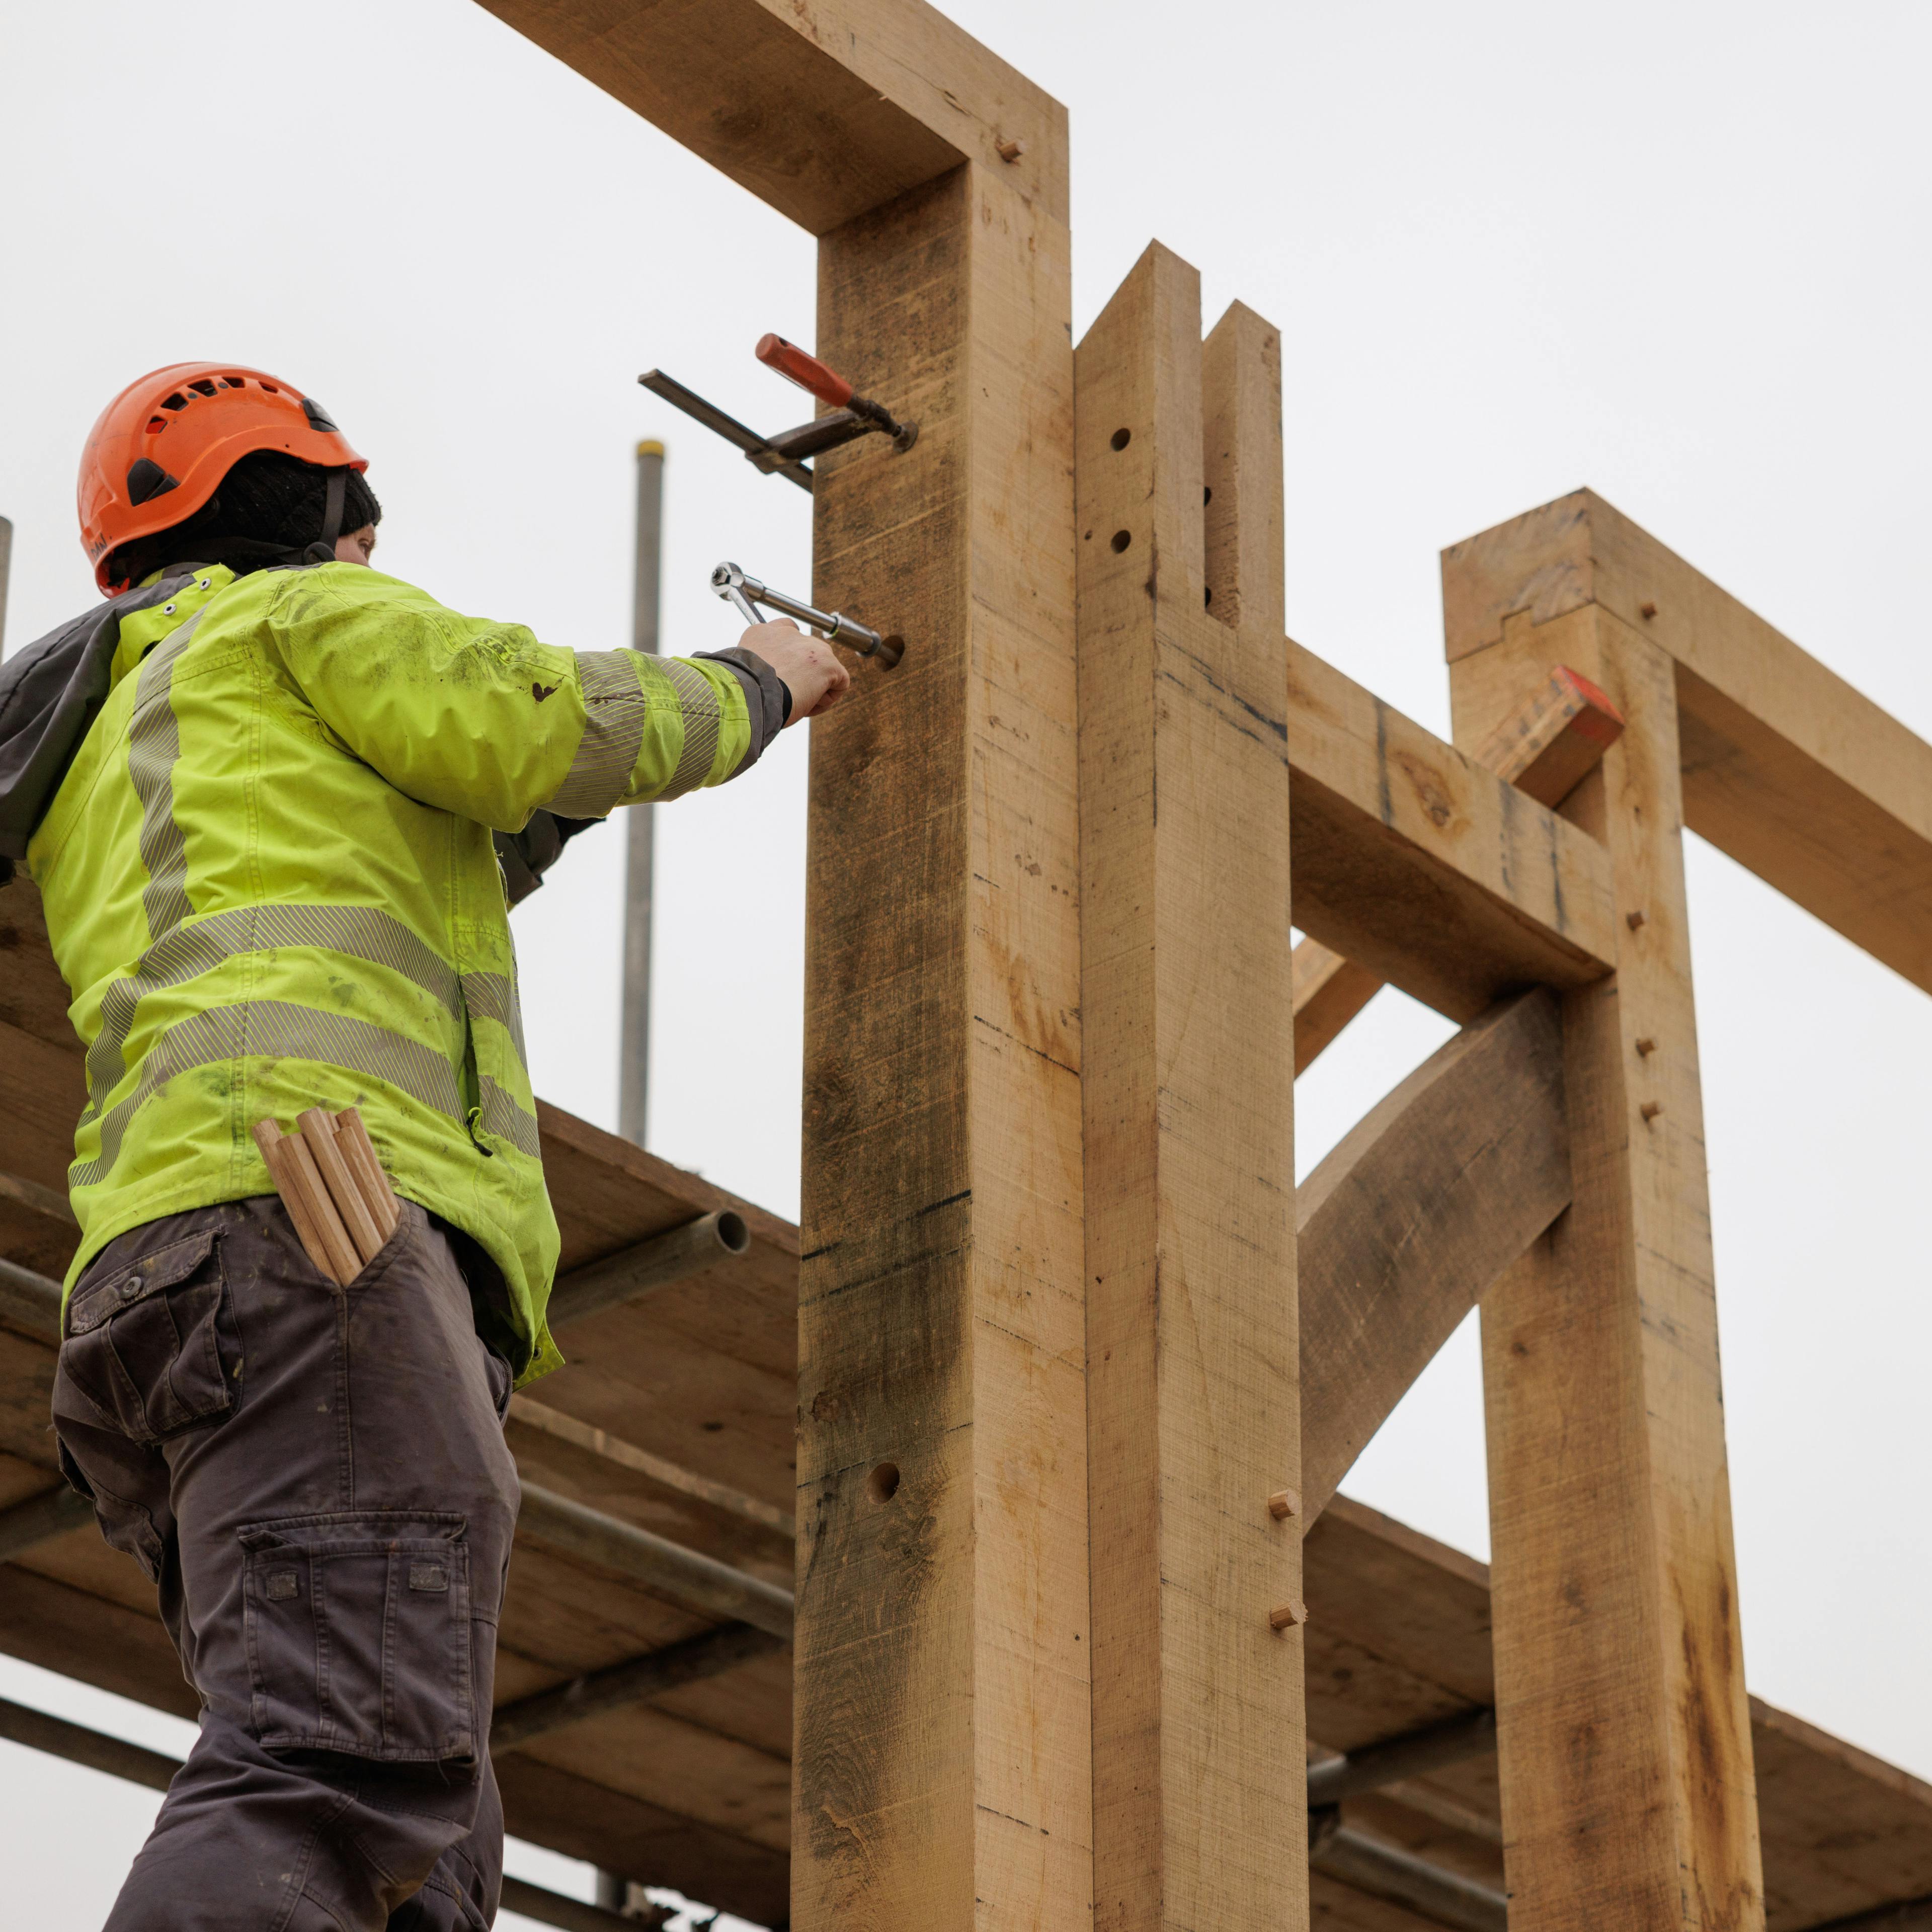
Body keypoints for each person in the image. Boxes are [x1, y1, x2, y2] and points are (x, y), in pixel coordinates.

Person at [0, 361, 848, 1929]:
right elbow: (535, 719)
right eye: (353, 527)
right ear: (306, 511)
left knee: (417, 1833)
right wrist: (759, 680)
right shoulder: (294, 620)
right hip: (311, 1228)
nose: (371, 561)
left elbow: (391, 839)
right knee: (346, 1763)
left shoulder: (123, 731)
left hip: (165, 1293)